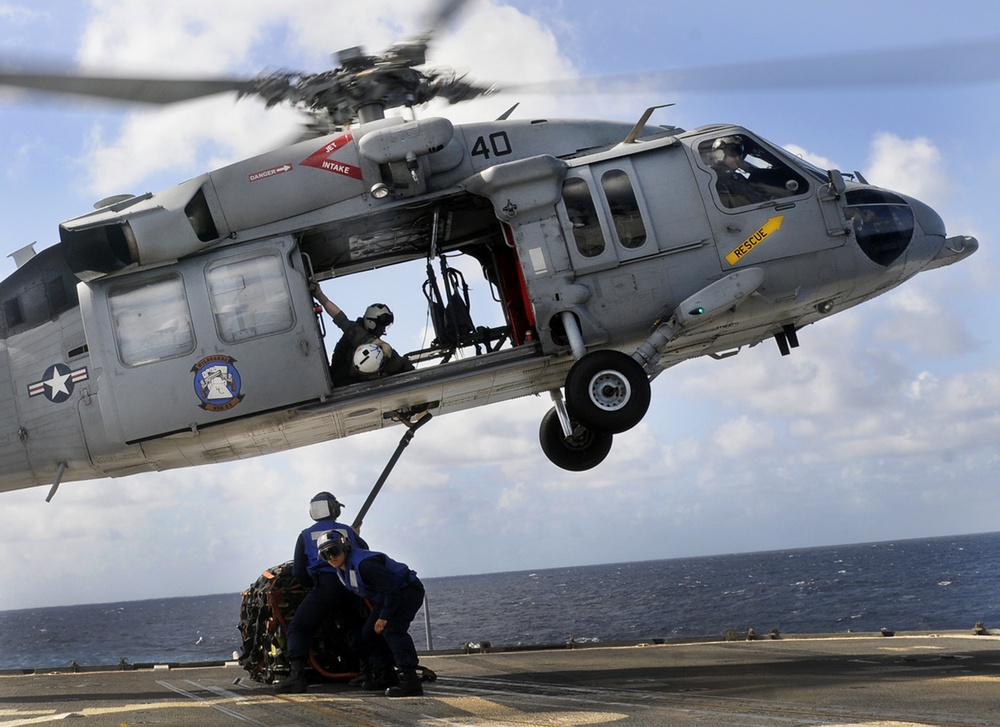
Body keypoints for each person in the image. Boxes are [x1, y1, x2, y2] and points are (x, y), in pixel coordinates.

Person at [272, 492, 369, 694]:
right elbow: (364, 551)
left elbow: (299, 571)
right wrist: (354, 535)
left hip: (324, 586)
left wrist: (312, 588)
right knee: (355, 625)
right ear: (334, 509)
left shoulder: (306, 535)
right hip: (349, 585)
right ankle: (366, 672)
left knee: (299, 627)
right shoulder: (345, 531)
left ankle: (297, 677)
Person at [318, 530, 427, 697]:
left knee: (393, 630)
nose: (331, 557)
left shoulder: (365, 564)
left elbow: (392, 589)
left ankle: (411, 679)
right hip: (385, 597)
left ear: (345, 548)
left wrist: (384, 617)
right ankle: (387, 674)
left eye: (334, 551)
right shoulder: (341, 568)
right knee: (369, 633)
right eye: (325, 555)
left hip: (406, 592)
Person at [310, 282, 414, 386]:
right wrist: (319, 295)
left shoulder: (379, 348)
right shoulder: (357, 335)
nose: (383, 331)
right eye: (382, 327)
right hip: (343, 381)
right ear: (371, 323)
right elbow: (339, 317)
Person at [709, 136, 767, 209]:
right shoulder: (725, 176)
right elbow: (757, 201)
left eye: (739, 154)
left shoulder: (711, 175)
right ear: (719, 153)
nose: (738, 158)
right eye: (733, 152)